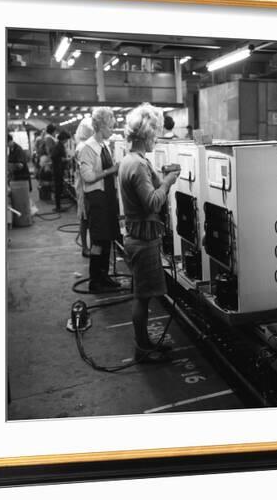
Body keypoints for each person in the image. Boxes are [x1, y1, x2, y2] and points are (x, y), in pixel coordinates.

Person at [119, 104, 180, 363]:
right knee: (142, 298)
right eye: (155, 132)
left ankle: (145, 343)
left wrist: (162, 174)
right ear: (146, 134)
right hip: (142, 241)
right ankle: (142, 349)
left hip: (139, 237)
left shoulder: (132, 160)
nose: (157, 137)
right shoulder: (138, 165)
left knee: (142, 296)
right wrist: (168, 182)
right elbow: (153, 203)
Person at [78, 107, 121, 292]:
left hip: (107, 198)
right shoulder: (87, 148)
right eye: (110, 126)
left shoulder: (103, 145)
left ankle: (104, 275)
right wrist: (112, 170)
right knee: (98, 241)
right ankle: (95, 280)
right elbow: (87, 176)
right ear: (101, 125)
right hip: (97, 200)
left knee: (107, 239)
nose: (113, 129)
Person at [74, 117, 94, 257]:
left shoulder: (84, 145)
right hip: (84, 186)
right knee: (85, 218)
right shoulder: (83, 147)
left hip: (85, 185)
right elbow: (87, 172)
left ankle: (90, 246)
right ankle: (86, 247)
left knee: (88, 218)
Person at [50, 130, 71, 213]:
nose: (67, 141)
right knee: (58, 188)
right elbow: (54, 157)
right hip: (57, 170)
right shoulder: (58, 146)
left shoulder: (60, 145)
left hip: (59, 169)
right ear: (63, 138)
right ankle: (58, 207)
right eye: (66, 139)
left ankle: (58, 206)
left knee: (59, 187)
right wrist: (65, 159)